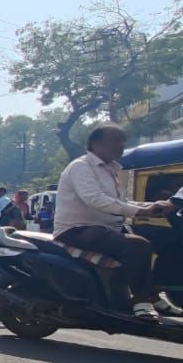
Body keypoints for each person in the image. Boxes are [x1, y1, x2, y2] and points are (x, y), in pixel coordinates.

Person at [53, 125, 181, 321]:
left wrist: (152, 206)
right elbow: (95, 199)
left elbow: (121, 203)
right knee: (137, 246)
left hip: (109, 228)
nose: (121, 147)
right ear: (95, 143)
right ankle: (140, 300)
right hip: (78, 229)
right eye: (115, 141)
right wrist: (140, 210)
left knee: (172, 238)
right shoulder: (81, 167)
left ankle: (154, 292)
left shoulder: (111, 170)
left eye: (123, 142)